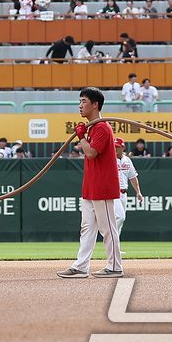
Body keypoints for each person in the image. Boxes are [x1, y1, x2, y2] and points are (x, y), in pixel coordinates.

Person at [57, 88, 123, 278]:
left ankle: (115, 266)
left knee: (107, 227)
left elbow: (91, 152)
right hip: (91, 186)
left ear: (95, 104)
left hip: (102, 186)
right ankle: (81, 266)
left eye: (84, 101)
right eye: (80, 101)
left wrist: (81, 137)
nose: (80, 105)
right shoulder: (93, 127)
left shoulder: (102, 127)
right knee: (87, 228)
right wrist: (84, 134)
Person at [112, 138, 144, 239]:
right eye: (114, 146)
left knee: (120, 221)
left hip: (124, 193)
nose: (115, 148)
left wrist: (138, 192)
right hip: (113, 193)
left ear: (123, 147)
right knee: (120, 217)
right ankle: (111, 243)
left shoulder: (127, 160)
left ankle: (115, 248)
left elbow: (133, 177)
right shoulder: (109, 159)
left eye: (117, 146)